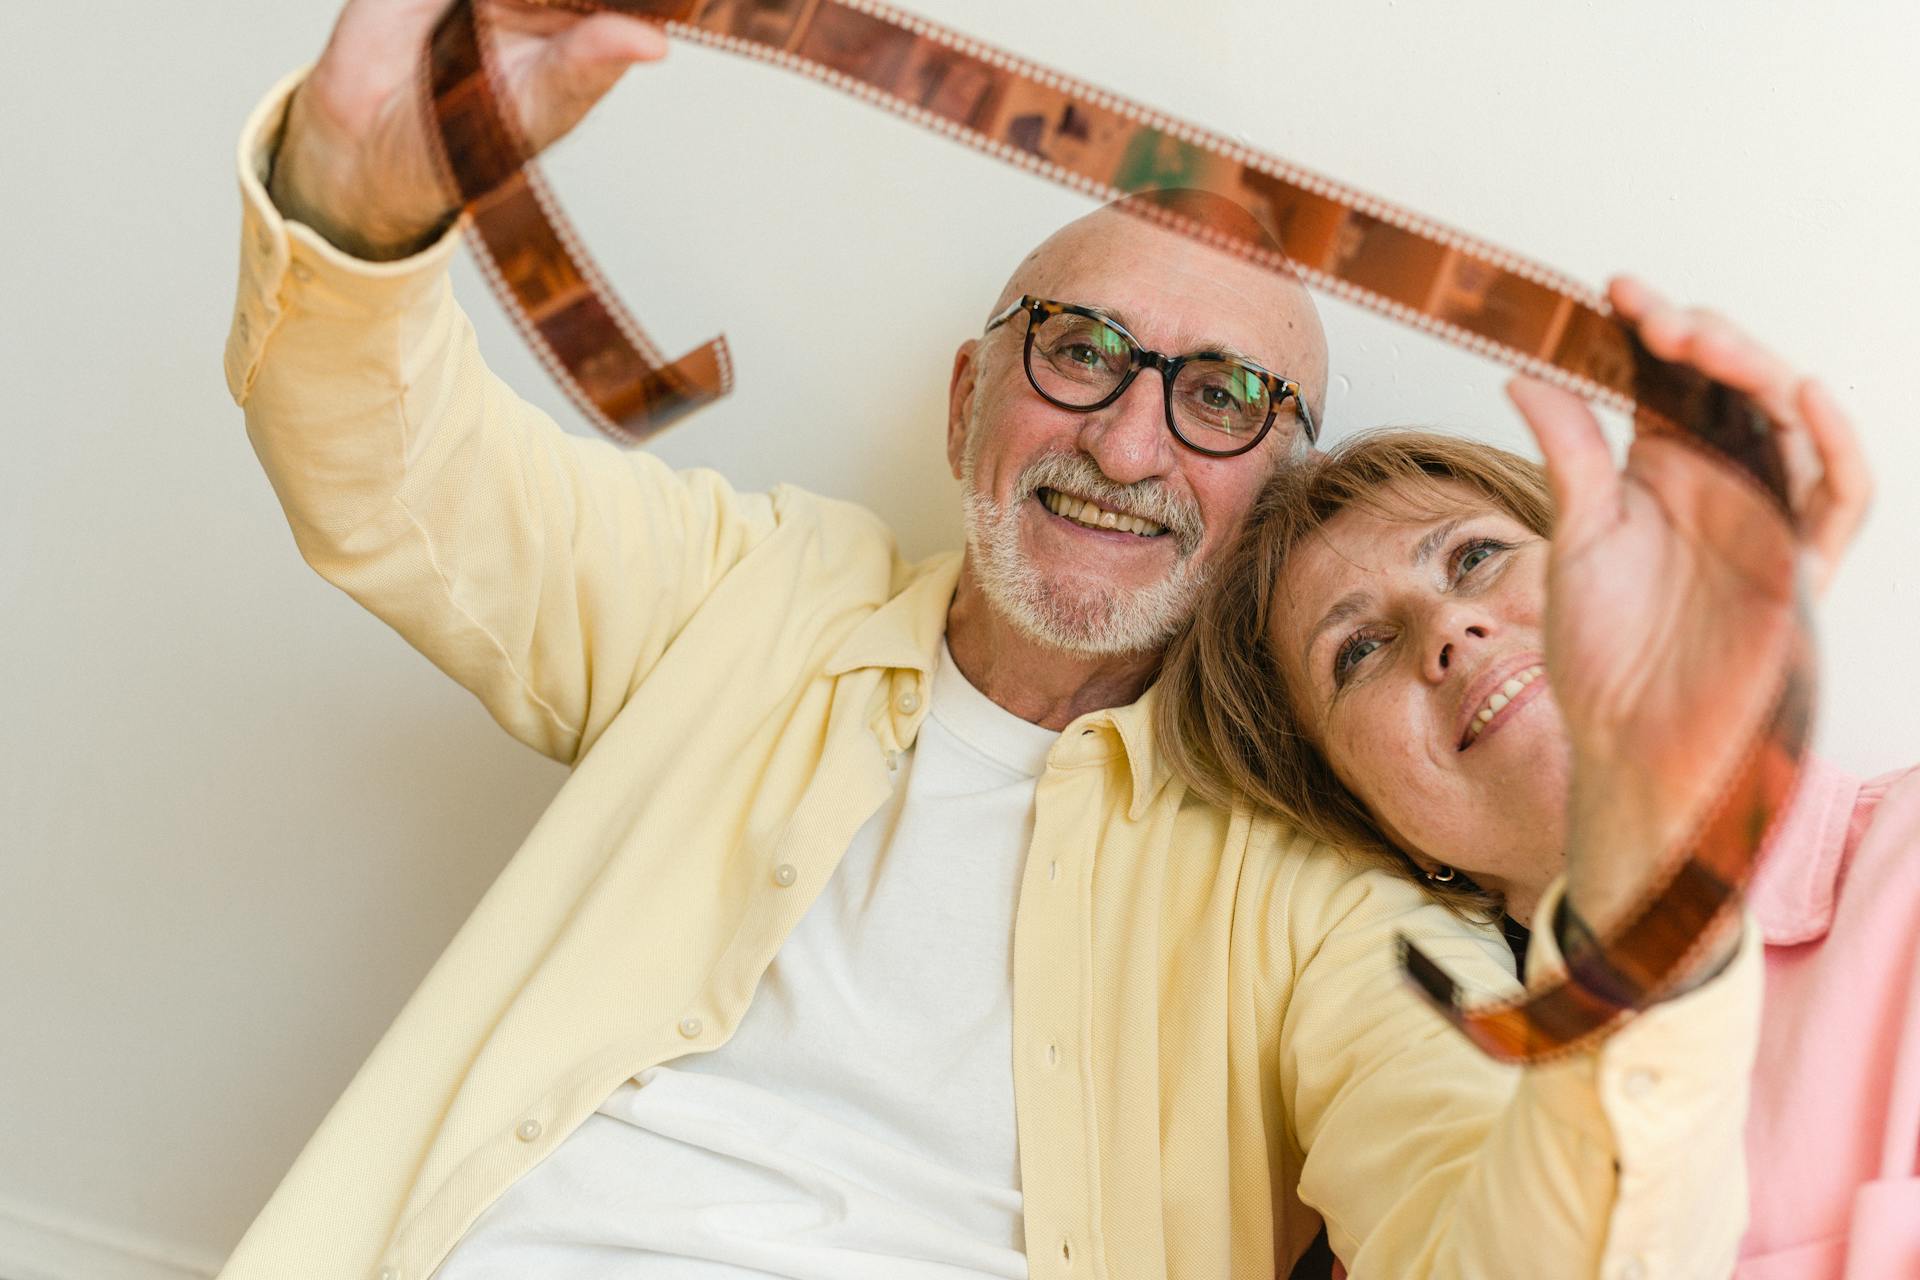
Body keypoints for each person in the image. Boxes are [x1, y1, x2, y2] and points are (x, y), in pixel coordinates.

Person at [220, 2, 1780, 1276]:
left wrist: (1653, 878)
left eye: (1223, 396)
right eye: (1083, 352)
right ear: (970, 405)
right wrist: (363, 211)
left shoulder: (1325, 893)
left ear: (1262, 518)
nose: (1124, 442)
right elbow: (401, 485)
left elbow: (1518, 1249)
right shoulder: (743, 592)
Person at [1159, 315, 1915, 1277]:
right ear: (1375, 823)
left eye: (1474, 557)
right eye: (1358, 652)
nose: (1452, 626)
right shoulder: (1444, 1185)